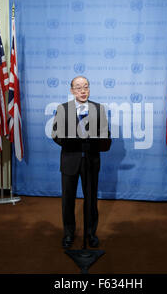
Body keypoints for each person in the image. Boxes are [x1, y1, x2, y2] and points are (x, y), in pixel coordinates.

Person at [52, 75, 111, 249]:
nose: (83, 90)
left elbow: (105, 134)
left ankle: (90, 233)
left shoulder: (98, 109)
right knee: (68, 200)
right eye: (78, 87)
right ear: (72, 90)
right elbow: (55, 134)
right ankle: (69, 233)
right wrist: (70, 141)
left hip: (91, 161)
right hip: (70, 160)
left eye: (85, 86)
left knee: (91, 200)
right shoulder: (63, 109)